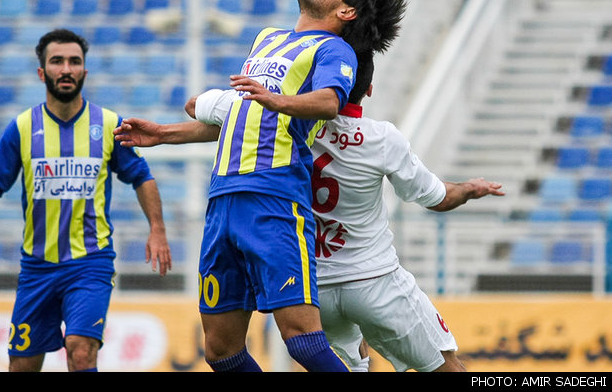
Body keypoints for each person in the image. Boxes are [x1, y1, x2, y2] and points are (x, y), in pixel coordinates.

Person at [115, 0, 406, 372]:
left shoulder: (334, 50)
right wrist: (164, 133)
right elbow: (243, 116)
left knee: (303, 342)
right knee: (220, 350)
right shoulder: (268, 38)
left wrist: (276, 100)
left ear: (347, 11)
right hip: (222, 201)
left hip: (274, 200)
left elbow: (328, 102)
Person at [188, 50, 505, 372]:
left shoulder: (279, 121)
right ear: (368, 89)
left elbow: (194, 105)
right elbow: (437, 198)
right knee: (446, 366)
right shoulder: (381, 138)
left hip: (311, 287)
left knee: (352, 364)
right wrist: (467, 189)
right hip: (374, 282)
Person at [0, 28, 172, 372]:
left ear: (84, 71)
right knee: (21, 364)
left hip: (90, 263)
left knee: (81, 351)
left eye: (74, 62)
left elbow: (142, 176)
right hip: (37, 266)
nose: (66, 69)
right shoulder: (22, 127)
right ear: (41, 72)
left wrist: (157, 229)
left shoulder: (108, 124)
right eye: (57, 61)